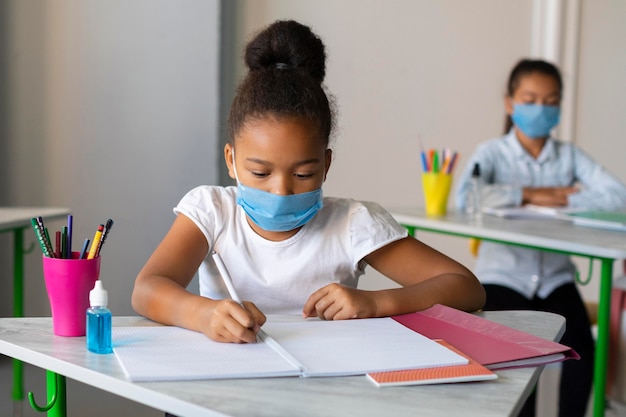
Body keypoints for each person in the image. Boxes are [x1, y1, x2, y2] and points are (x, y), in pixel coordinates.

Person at [132, 19, 485, 346]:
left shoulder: (352, 224)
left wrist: (377, 301)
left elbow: (466, 288)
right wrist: (201, 314)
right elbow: (147, 289)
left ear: (326, 165)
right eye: (260, 173)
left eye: (303, 174)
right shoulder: (211, 211)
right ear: (231, 161)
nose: (281, 190)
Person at [455, 58, 626, 417]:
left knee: (583, 356)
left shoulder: (569, 155)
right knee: (518, 362)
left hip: (555, 279)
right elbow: (466, 198)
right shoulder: (493, 152)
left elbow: (617, 196)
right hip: (503, 276)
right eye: (530, 99)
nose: (540, 109)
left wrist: (567, 197)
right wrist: (529, 194)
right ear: (510, 103)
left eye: (550, 102)